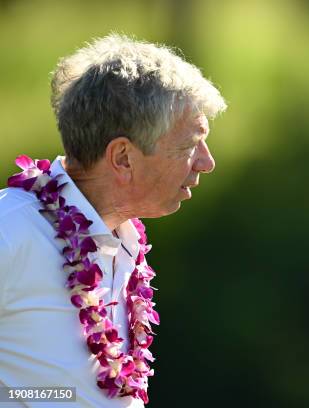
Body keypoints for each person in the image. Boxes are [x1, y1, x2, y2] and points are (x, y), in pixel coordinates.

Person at [0, 34, 226, 406]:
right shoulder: (10, 231)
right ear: (122, 157)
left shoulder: (122, 237)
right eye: (189, 146)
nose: (207, 162)